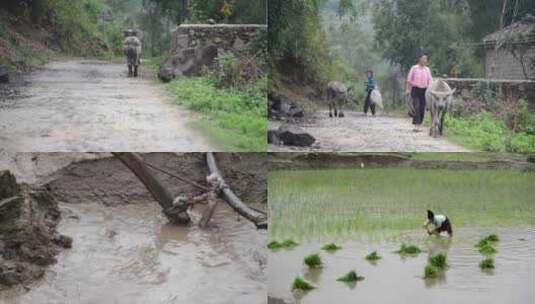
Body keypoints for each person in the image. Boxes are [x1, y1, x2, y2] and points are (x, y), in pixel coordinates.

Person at [405, 49, 433, 132]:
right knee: (416, 106)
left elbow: (430, 81)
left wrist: (431, 90)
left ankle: (420, 124)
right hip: (415, 90)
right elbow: (409, 80)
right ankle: (416, 125)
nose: (425, 60)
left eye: (426, 59)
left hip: (424, 91)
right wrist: (407, 89)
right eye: (424, 59)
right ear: (420, 59)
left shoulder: (427, 69)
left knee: (422, 108)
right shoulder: (414, 68)